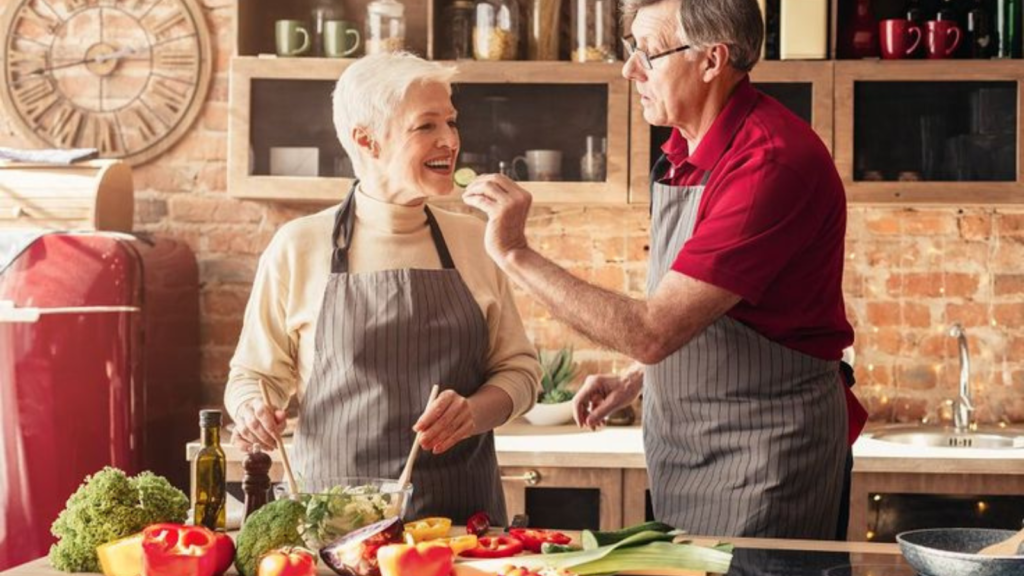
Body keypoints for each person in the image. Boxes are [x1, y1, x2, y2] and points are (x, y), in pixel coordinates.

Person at [463, 0, 867, 539]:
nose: (630, 69)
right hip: (699, 450)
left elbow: (653, 331)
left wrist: (514, 251)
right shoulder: (687, 149)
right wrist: (642, 378)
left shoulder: (768, 164)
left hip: (770, 462)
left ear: (711, 60)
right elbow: (723, 308)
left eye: (648, 53)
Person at [225, 52, 541, 524]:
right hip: (332, 525)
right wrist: (253, 409)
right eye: (426, 126)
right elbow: (253, 376)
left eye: (451, 122)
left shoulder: (475, 240)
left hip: (458, 529)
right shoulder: (298, 246)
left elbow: (520, 374)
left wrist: (474, 413)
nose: (450, 140)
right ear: (366, 139)